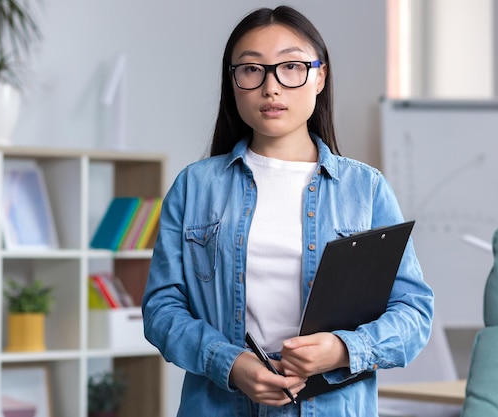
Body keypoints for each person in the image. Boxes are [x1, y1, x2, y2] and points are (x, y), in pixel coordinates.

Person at [142, 5, 433, 417]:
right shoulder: (196, 186)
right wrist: (229, 363)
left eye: (291, 67)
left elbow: (414, 313)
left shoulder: (364, 189)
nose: (271, 87)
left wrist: (342, 349)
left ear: (319, 76)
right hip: (221, 406)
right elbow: (161, 309)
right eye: (251, 69)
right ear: (233, 81)